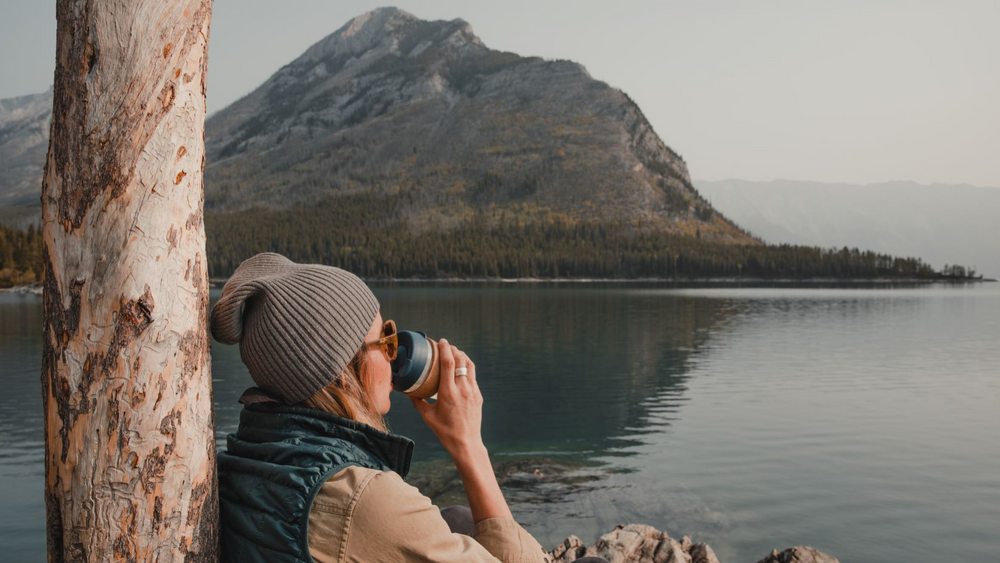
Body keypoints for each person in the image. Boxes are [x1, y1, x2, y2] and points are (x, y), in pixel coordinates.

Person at [210, 252, 609, 563]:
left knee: (455, 519)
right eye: (384, 342)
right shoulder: (362, 499)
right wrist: (469, 445)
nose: (396, 354)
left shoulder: (252, 452)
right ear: (340, 377)